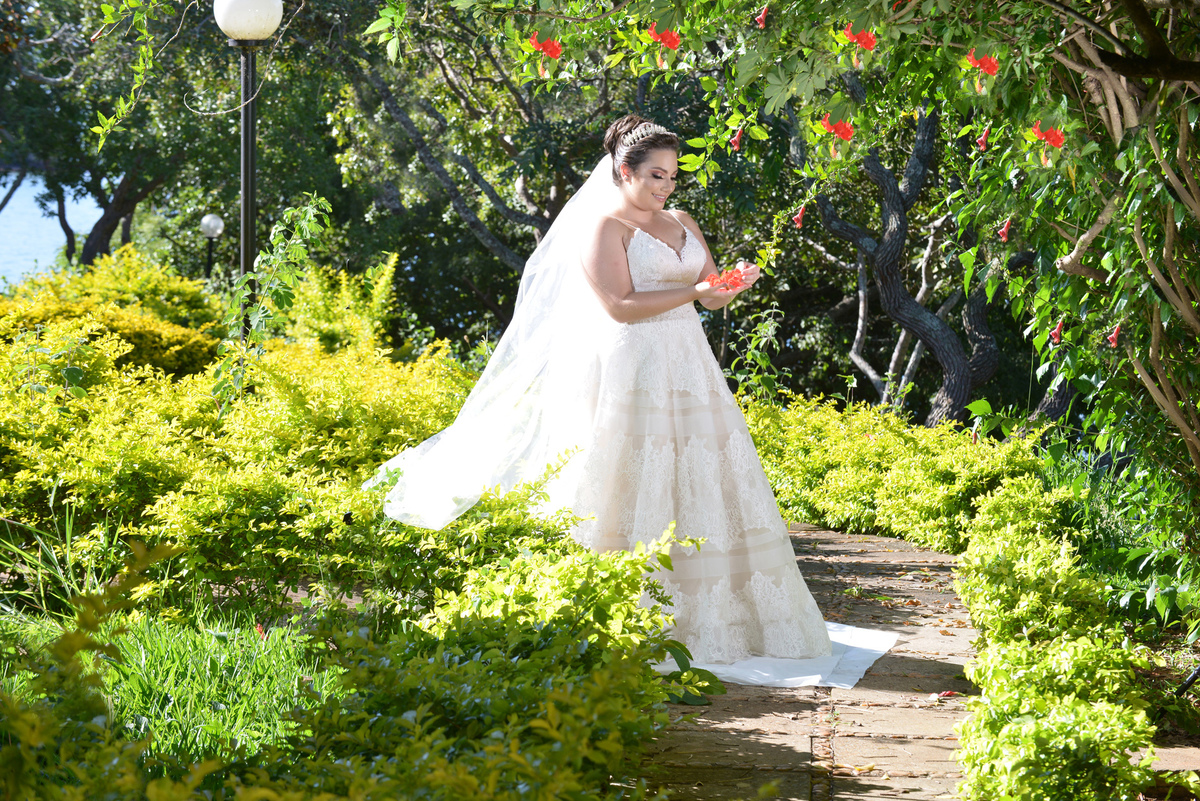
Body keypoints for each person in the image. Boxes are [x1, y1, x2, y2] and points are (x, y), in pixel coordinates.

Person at [368, 114, 866, 680]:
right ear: (622, 171)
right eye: (655, 175)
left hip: (689, 366)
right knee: (630, 476)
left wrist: (728, 286)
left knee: (703, 475)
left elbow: (709, 301)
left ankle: (722, 619)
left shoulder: (683, 220)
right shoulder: (603, 227)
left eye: (673, 177)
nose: (666, 187)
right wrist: (695, 290)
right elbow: (618, 305)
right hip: (632, 364)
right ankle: (625, 613)